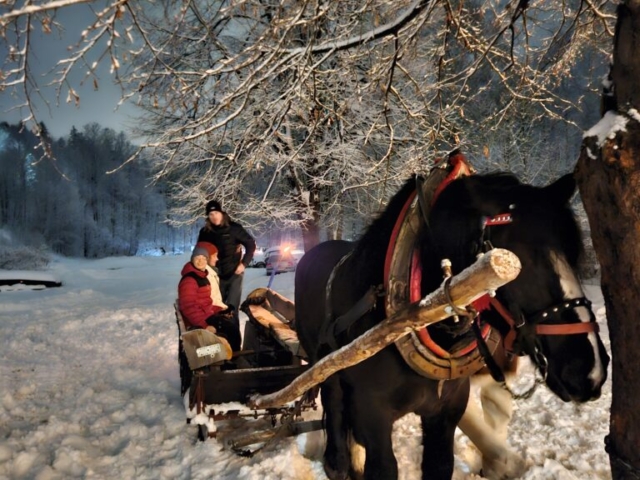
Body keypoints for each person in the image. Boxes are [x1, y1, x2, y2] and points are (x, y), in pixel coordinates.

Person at [197, 199, 256, 336]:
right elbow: (200, 251)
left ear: (222, 213)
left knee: (232, 309)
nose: (214, 217)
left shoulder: (234, 228)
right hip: (215, 276)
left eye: (216, 213)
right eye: (211, 215)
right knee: (217, 308)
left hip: (234, 273)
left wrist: (244, 263)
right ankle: (221, 341)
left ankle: (234, 344)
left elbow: (251, 244)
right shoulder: (205, 232)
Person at [177, 244, 241, 353]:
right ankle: (230, 362)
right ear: (192, 259)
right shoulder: (190, 280)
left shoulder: (201, 276)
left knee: (231, 322)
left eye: (203, 258)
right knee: (231, 330)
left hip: (205, 315)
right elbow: (189, 307)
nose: (200, 261)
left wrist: (220, 310)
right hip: (199, 321)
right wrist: (205, 326)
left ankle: (232, 356)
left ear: (207, 260)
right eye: (197, 258)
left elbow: (205, 303)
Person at [194, 241, 227, 310]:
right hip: (211, 313)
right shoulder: (207, 275)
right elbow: (213, 301)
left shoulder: (210, 273)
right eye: (214, 256)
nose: (217, 259)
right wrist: (225, 308)